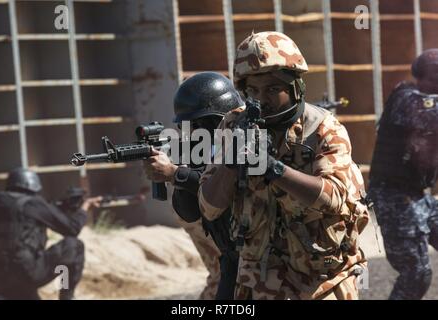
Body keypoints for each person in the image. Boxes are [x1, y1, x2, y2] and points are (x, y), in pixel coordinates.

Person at [198, 31, 370, 300]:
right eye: (252, 90)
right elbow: (208, 207)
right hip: (258, 281)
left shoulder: (323, 128)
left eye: (271, 89)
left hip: (322, 281)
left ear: (295, 87)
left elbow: (334, 197)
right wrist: (231, 162)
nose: (260, 99)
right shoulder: (233, 124)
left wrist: (272, 168)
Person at [142, 72, 243, 299]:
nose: (196, 130)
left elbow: (231, 189)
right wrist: (180, 167)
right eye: (190, 125)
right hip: (232, 258)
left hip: (263, 258)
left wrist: (177, 174)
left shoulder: (245, 141)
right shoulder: (200, 148)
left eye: (202, 123)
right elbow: (188, 213)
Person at [368, 48, 438, 300]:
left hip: (420, 197)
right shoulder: (406, 98)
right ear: (427, 77)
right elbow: (429, 114)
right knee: (416, 274)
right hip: (393, 197)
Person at [0, 168, 101, 300]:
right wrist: (83, 209)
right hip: (26, 273)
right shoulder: (32, 203)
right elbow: (72, 228)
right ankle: (66, 296)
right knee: (74, 246)